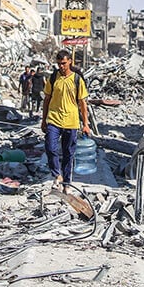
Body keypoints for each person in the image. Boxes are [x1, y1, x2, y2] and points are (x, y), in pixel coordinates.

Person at [41, 50, 91, 189]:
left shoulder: (77, 79)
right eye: (58, 64)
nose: (61, 66)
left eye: (63, 63)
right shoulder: (53, 78)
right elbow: (46, 100)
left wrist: (85, 124)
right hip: (54, 119)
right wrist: (43, 120)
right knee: (51, 148)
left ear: (69, 61)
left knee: (68, 153)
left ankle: (67, 183)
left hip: (71, 121)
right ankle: (57, 175)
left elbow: (82, 103)